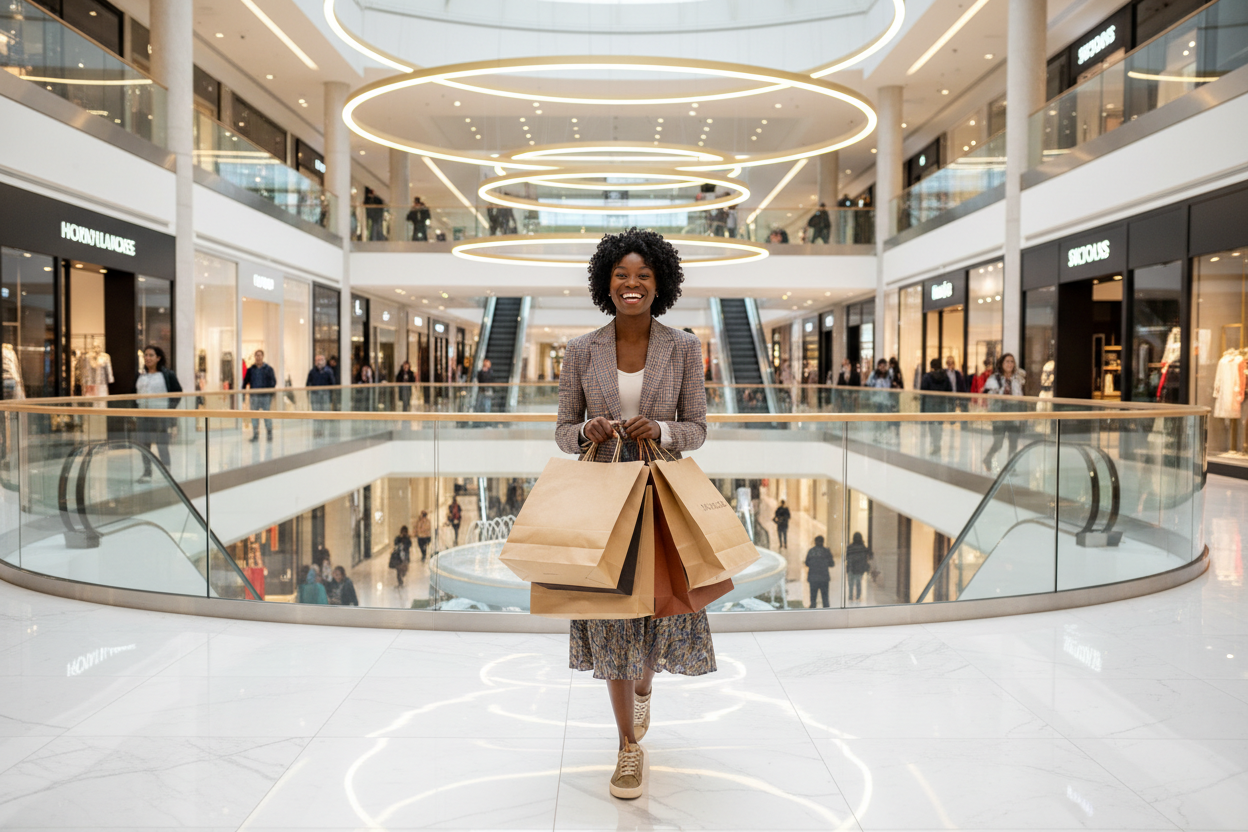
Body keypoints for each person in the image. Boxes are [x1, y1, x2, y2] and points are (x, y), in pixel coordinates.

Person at [554, 227, 710, 800]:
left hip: (660, 498)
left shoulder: (684, 348)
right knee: (613, 619)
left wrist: (663, 428)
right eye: (622, 274)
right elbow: (562, 431)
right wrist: (586, 430)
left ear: (660, 282)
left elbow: (697, 428)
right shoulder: (580, 350)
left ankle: (644, 687)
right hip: (602, 501)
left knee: (653, 613)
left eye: (643, 274)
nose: (632, 283)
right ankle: (627, 746)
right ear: (606, 282)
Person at [134, 345, 183, 483]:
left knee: (162, 445)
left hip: (160, 415)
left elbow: (177, 392)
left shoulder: (167, 375)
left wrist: (169, 409)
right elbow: (134, 394)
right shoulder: (140, 375)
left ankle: (167, 472)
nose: (147, 358)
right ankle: (147, 473)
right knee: (144, 445)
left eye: (151, 355)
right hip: (143, 416)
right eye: (146, 355)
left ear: (158, 358)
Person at [982, 353, 1027, 472]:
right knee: (998, 442)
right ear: (1002, 364)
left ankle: (1011, 467)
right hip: (999, 413)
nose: (1010, 364)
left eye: (1012, 361)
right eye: (1007, 361)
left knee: (1013, 441)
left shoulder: (1018, 379)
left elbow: (1021, 396)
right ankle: (988, 457)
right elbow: (988, 396)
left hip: (1014, 412)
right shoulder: (994, 378)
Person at [920, 357, 954, 454]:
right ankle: (937, 443)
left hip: (930, 405)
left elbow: (923, 394)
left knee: (932, 425)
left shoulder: (927, 377)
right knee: (939, 425)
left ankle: (934, 444)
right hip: (941, 405)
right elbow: (950, 391)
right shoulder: (945, 377)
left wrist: (922, 410)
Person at [242, 349, 277, 442]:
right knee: (254, 417)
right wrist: (243, 395)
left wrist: (269, 393)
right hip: (254, 397)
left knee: (267, 416)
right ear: (255, 357)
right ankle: (255, 435)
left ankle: (269, 435)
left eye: (260, 355)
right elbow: (245, 382)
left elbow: (273, 382)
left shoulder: (269, 369)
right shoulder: (250, 370)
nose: (258, 357)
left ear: (263, 356)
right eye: (256, 355)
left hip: (265, 397)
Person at [306, 354, 336, 436]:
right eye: (317, 360)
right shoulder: (312, 372)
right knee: (316, 414)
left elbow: (332, 384)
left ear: (324, 361)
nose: (319, 362)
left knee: (325, 413)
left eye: (321, 360)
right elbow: (308, 384)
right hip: (315, 395)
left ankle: (327, 431)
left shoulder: (328, 371)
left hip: (325, 395)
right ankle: (318, 431)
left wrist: (331, 397)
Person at [804, 535, 834, 608]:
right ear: (823, 542)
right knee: (825, 598)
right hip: (824, 578)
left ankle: (813, 612)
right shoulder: (826, 551)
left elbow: (807, 563)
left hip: (813, 578)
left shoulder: (811, 551)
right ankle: (826, 613)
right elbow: (832, 564)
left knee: (813, 598)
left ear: (815, 542)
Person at [845, 531, 873, 602]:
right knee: (858, 583)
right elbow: (870, 555)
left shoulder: (850, 547)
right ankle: (858, 596)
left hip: (851, 568)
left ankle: (850, 596)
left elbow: (847, 558)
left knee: (851, 584)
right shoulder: (863, 548)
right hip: (859, 569)